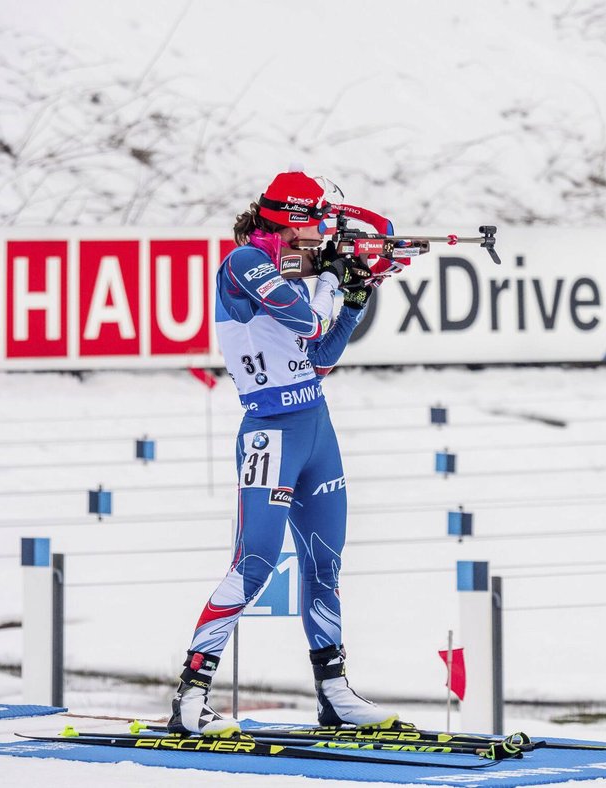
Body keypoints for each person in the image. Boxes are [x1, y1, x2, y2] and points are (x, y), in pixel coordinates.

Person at [168, 171, 397, 737]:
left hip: (315, 424)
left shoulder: (302, 266)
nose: (317, 242)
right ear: (288, 224)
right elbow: (307, 317)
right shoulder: (244, 263)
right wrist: (334, 284)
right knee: (255, 565)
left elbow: (321, 353)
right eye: (310, 230)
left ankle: (335, 693)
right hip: (270, 430)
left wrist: (356, 297)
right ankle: (192, 694)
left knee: (326, 564)